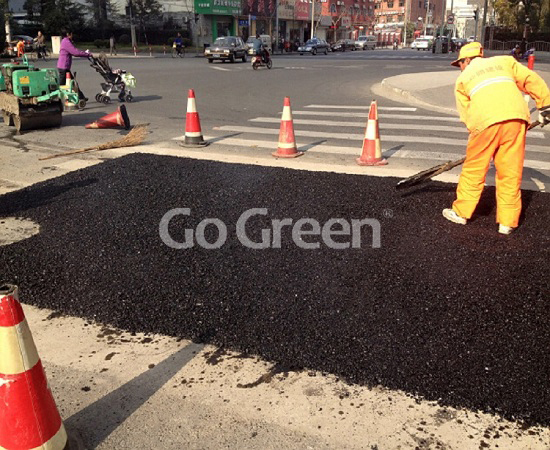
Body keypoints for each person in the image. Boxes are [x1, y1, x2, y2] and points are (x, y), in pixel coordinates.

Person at [442, 42, 550, 234]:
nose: (460, 67)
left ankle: (462, 213)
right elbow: (531, 80)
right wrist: (545, 106)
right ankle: (507, 222)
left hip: (485, 122)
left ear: (467, 60)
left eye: (459, 63)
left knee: (474, 169)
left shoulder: (463, 79)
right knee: (510, 171)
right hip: (516, 118)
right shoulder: (505, 62)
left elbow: (466, 114)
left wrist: (478, 138)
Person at [57, 30, 92, 102]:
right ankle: (58, 100)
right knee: (62, 86)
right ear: (68, 34)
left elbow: (75, 51)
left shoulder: (66, 41)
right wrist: (87, 54)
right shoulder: (66, 42)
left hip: (64, 67)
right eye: (71, 34)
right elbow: (75, 52)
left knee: (73, 83)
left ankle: (81, 98)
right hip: (63, 67)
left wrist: (84, 53)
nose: (72, 36)